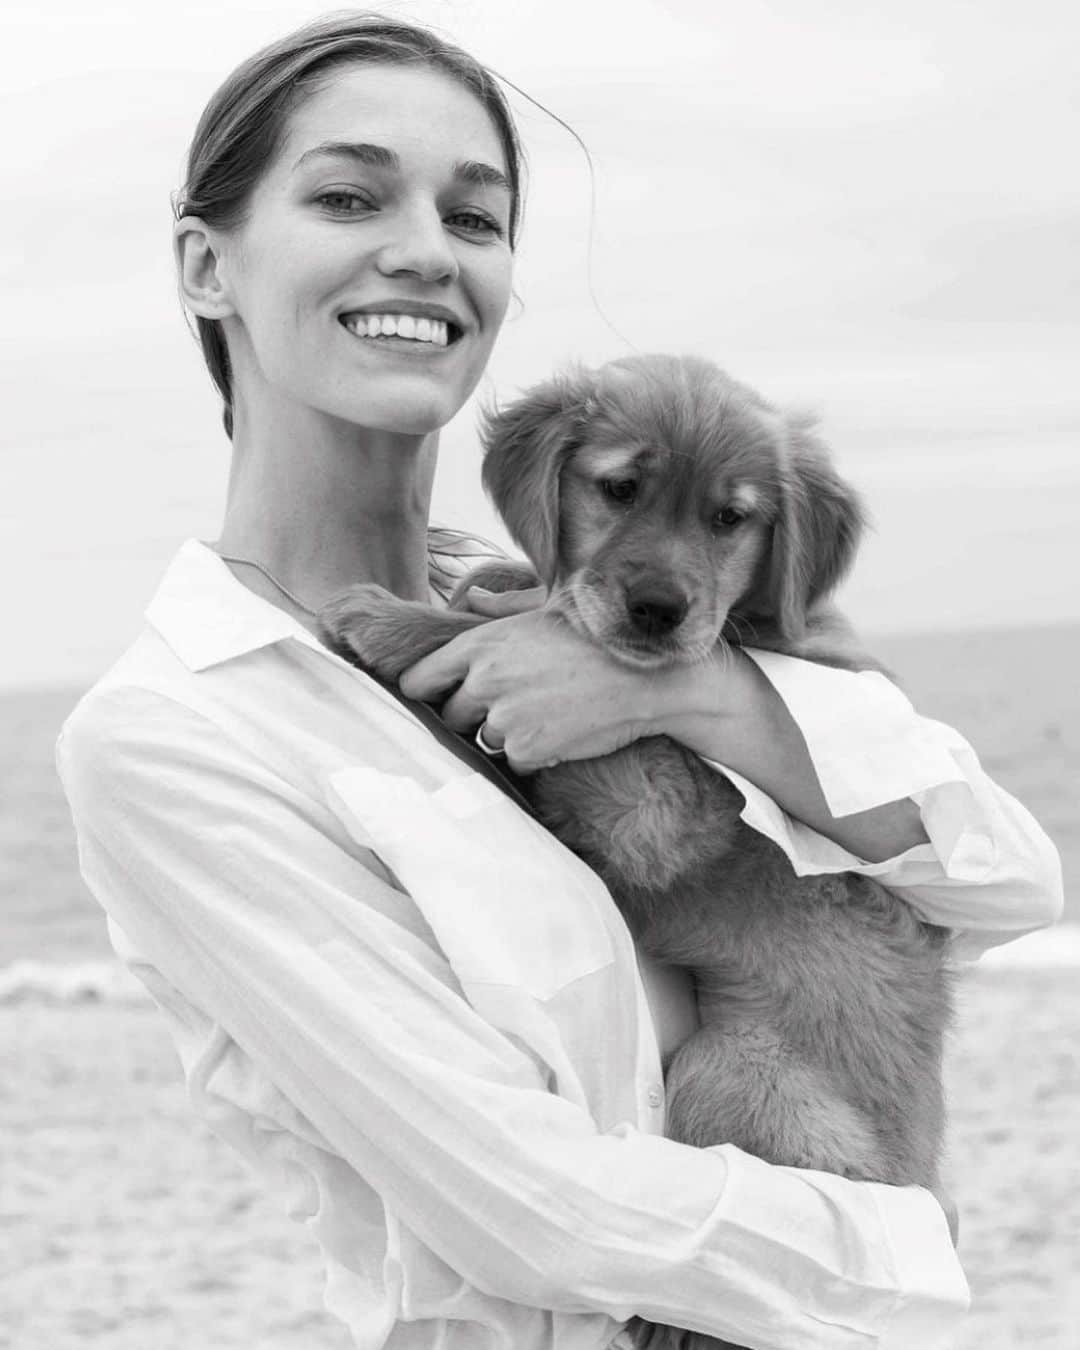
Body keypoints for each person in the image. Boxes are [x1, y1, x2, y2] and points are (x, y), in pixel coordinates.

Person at [56, 13, 1062, 1350]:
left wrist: (675, 695)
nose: (423, 245)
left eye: (475, 216)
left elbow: (1001, 881)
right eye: (350, 194)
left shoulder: (587, 609)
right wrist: (905, 1249)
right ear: (206, 263)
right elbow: (533, 1208)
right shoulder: (176, 730)